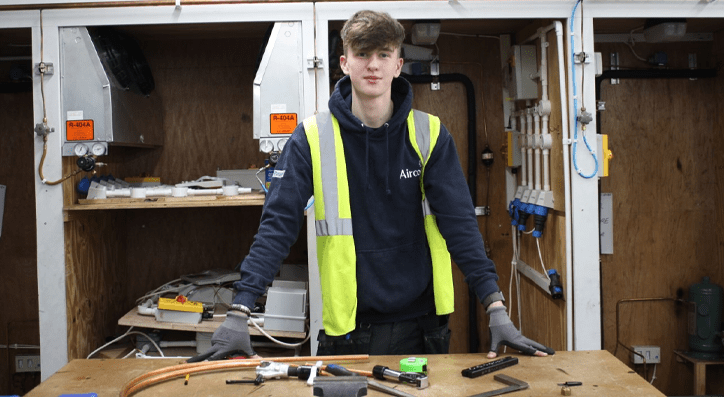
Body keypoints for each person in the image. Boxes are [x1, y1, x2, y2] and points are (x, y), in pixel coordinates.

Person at [189, 10, 553, 362]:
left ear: (398, 64)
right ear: (345, 63)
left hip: (424, 329)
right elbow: (277, 226)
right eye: (362, 54)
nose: (373, 65)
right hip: (348, 333)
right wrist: (240, 309)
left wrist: (496, 307)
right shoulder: (311, 138)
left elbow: (460, 225)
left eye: (383, 54)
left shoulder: (430, 135)